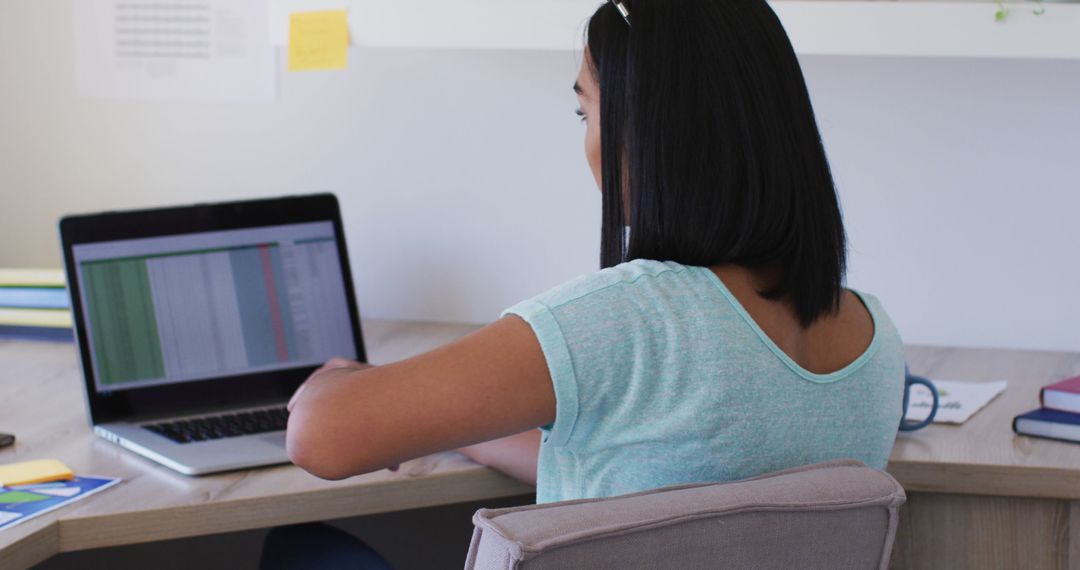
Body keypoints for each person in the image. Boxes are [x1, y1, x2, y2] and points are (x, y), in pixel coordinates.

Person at [273, 0, 905, 565]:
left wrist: (346, 382)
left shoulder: (631, 318)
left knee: (298, 550)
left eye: (586, 111)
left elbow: (318, 436)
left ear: (645, 131)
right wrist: (466, 427)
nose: (588, 139)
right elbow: (669, 492)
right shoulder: (871, 338)